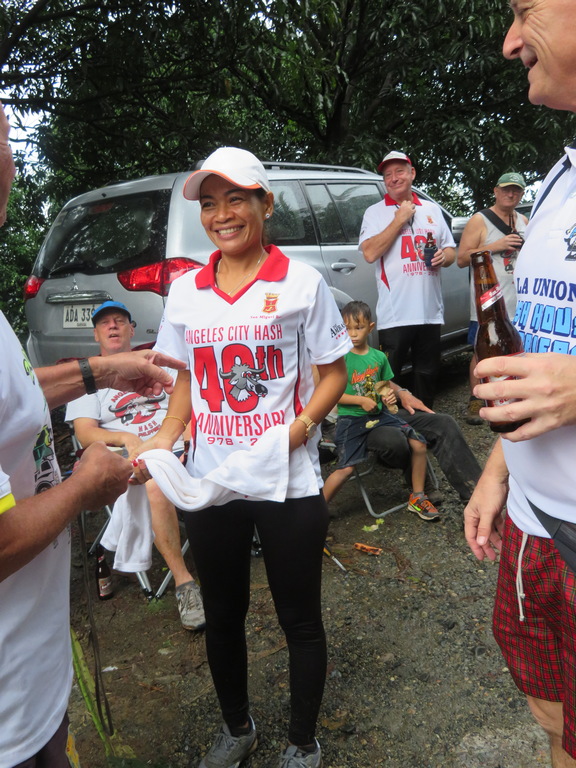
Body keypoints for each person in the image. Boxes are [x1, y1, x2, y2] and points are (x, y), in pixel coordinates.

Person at [131, 146, 350, 768]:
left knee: (298, 619)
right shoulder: (186, 290)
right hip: (213, 481)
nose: (221, 215)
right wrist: (165, 438)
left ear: (265, 203)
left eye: (235, 199)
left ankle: (303, 742)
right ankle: (237, 729)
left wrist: (299, 430)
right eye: (209, 204)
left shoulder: (301, 282)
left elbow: (333, 373)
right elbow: (185, 379)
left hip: (287, 477)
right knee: (223, 615)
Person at [0, 103, 185, 768]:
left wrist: (102, 370)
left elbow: (15, 395)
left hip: (32, 674)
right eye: (3, 135)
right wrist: (84, 488)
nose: (12, 153)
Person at [465, 4, 576, 765]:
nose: (509, 43)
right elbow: (545, 349)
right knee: (551, 714)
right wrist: (498, 470)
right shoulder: (557, 181)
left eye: (523, 9)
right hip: (536, 523)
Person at [65, 300, 205, 631]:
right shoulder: (87, 379)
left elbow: (190, 403)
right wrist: (125, 437)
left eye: (119, 320)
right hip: (129, 458)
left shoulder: (156, 365)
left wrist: (190, 441)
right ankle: (184, 583)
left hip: (179, 446)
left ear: (132, 329)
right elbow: (84, 433)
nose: (112, 326)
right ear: (95, 334)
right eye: (104, 323)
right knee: (154, 482)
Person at [323, 301, 440, 521]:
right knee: (346, 469)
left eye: (358, 328)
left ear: (370, 327)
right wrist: (359, 400)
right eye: (347, 328)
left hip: (378, 415)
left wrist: (387, 396)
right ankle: (318, 509)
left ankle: (417, 496)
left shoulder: (379, 357)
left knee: (419, 443)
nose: (353, 334)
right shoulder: (341, 358)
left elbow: (383, 385)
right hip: (351, 420)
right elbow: (331, 394)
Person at [359, 150, 456, 408]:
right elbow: (370, 253)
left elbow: (451, 251)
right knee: (388, 380)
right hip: (396, 314)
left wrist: (443, 257)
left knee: (427, 375)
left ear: (412, 173)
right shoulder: (374, 213)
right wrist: (399, 220)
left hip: (429, 312)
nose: (393, 178)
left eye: (399, 171)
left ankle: (424, 424)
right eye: (387, 175)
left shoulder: (432, 210)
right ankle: (389, 426)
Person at [457, 172, 528, 424]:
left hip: (519, 300)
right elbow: (461, 258)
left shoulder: (524, 221)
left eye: (516, 190)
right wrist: (496, 246)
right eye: (506, 189)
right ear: (496, 191)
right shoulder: (480, 220)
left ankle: (515, 397)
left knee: (517, 350)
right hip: (488, 302)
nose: (511, 194)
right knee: (483, 351)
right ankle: (476, 399)